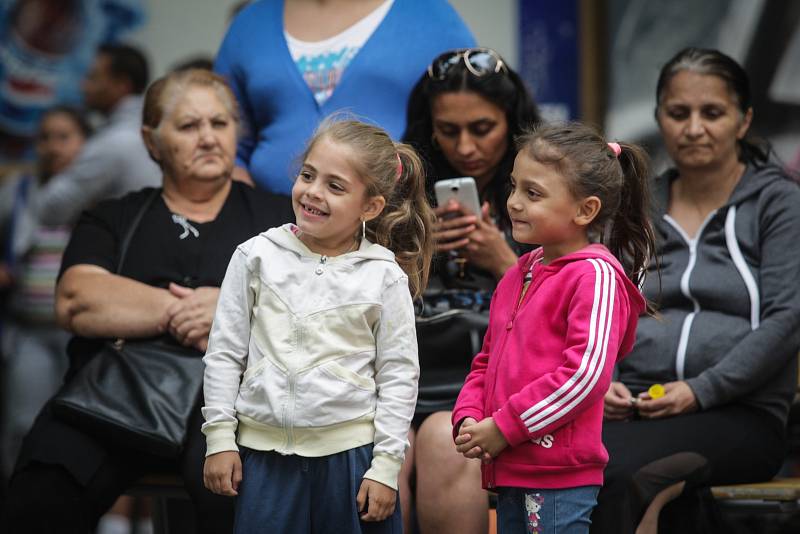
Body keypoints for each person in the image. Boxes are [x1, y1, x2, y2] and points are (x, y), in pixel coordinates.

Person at [0, 69, 293, 533]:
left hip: (236, 407)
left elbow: (317, 299)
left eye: (219, 123)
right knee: (38, 497)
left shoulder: (281, 218)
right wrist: (202, 310)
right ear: (151, 141)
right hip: (112, 398)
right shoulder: (114, 216)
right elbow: (78, 300)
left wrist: (227, 307)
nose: (208, 138)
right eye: (188, 126)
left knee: (245, 500)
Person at [592, 48, 800, 534]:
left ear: (743, 120)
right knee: (568, 467)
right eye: (678, 113)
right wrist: (606, 382)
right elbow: (606, 307)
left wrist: (700, 392)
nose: (693, 128)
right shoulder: (637, 207)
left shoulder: (779, 202)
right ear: (660, 117)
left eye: (713, 113)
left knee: (628, 476)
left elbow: (787, 318)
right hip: (637, 406)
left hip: (741, 413)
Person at [201, 118, 435, 533]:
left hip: (352, 460)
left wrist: (385, 467)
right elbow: (224, 353)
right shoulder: (255, 256)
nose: (312, 192)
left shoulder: (384, 276)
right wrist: (219, 439)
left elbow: (399, 376)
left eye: (335, 186)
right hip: (264, 456)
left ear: (371, 207)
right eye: (308, 175)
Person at [452, 122, 654, 533]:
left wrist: (504, 427)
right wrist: (469, 416)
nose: (514, 203)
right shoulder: (519, 273)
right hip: (511, 465)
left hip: (557, 474)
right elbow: (487, 359)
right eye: (514, 187)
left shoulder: (595, 277)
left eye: (533, 193)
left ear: (585, 210)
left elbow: (585, 376)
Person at [399, 47, 540, 533]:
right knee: (382, 448)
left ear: (513, 122)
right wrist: (411, 252)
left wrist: (504, 261)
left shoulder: (547, 193)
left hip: (494, 382)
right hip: (403, 375)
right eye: (448, 130)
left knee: (447, 438)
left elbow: (582, 306)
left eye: (482, 129)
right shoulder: (394, 194)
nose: (464, 147)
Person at [214, 0, 475, 194]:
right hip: (269, 229)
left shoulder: (433, 18)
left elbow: (475, 122)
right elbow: (224, 134)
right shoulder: (250, 24)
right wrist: (245, 205)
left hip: (389, 224)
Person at [0, 106, 91, 479]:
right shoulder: (20, 191)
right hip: (30, 331)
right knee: (22, 424)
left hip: (83, 335)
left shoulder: (97, 193)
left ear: (87, 144)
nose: (53, 146)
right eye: (45, 137)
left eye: (64, 137)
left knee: (80, 429)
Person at [30, 43, 160, 226]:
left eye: (93, 77)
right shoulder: (159, 131)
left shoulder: (114, 142)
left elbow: (49, 211)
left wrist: (53, 172)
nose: (84, 86)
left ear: (122, 85)